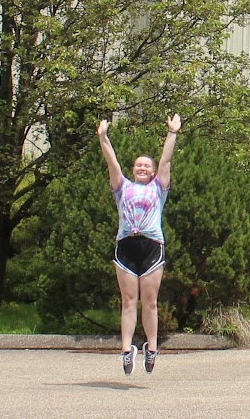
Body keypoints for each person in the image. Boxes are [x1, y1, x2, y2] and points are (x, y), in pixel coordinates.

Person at [98, 113, 180, 375]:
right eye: (138, 166)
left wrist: (172, 133)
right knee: (128, 301)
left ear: (153, 172)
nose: (142, 168)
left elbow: (166, 159)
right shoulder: (122, 187)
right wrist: (103, 137)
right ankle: (126, 350)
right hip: (125, 248)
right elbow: (111, 162)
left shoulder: (159, 188)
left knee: (150, 301)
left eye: (147, 166)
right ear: (133, 170)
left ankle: (152, 348)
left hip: (151, 248)